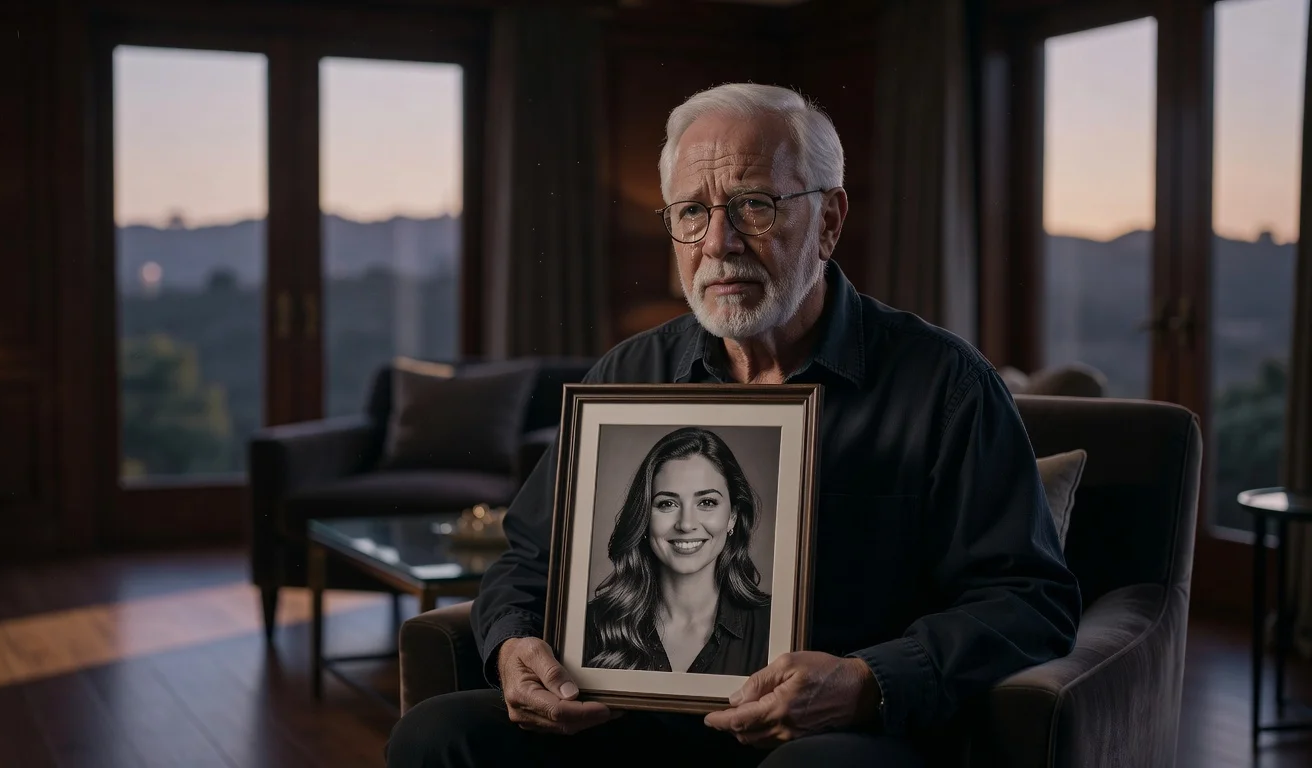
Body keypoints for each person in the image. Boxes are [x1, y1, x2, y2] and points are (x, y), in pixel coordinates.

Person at [386, 82, 1082, 767]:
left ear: (830, 220)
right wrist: (511, 644)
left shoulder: (944, 385)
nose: (719, 242)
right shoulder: (627, 375)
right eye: (691, 211)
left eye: (755, 205)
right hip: (628, 717)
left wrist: (870, 680)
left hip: (835, 732)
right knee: (437, 736)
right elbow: (527, 560)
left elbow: (1027, 598)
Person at [583, 426, 771, 676]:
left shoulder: (773, 626)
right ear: (644, 518)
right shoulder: (591, 624)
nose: (685, 524)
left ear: (732, 518)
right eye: (667, 503)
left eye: (707, 502)